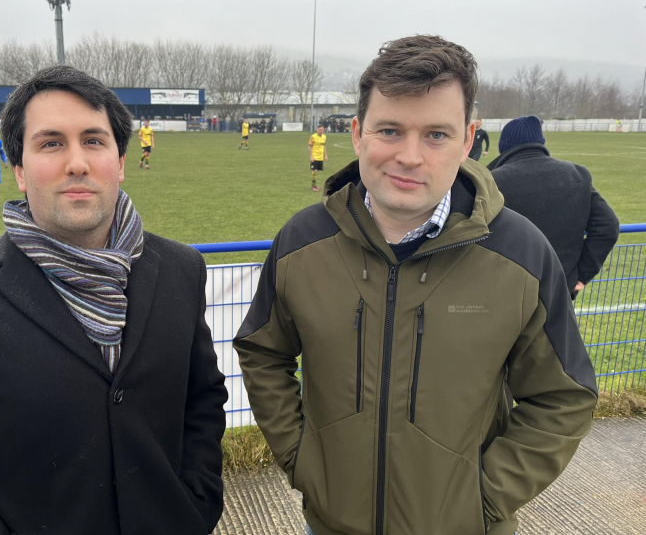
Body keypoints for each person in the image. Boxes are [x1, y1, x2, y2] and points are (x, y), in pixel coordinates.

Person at [234, 35, 597, 535]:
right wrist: (302, 458)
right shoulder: (301, 242)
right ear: (358, 132)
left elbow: (564, 395)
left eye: (435, 135)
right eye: (389, 129)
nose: (409, 156)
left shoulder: (522, 254)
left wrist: (484, 498)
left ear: (468, 141)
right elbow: (262, 351)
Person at [0, 64, 227, 535]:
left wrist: (197, 500)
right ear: (18, 169)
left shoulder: (182, 271)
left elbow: (202, 399)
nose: (76, 162)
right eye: (52, 143)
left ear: (120, 161)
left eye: (94, 140)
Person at [488, 115, 619, 300]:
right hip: (559, 292)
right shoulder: (576, 175)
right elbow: (608, 226)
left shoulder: (491, 182)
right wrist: (580, 275)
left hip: (504, 294)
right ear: (540, 142)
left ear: (504, 146)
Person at [308, 123, 328, 191]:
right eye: (320, 130)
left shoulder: (324, 137)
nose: (321, 131)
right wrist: (311, 156)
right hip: (315, 156)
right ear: (317, 130)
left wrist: (325, 155)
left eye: (322, 130)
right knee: (315, 171)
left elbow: (324, 146)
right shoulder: (313, 136)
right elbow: (309, 146)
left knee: (317, 171)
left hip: (320, 157)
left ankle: (313, 185)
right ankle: (313, 186)